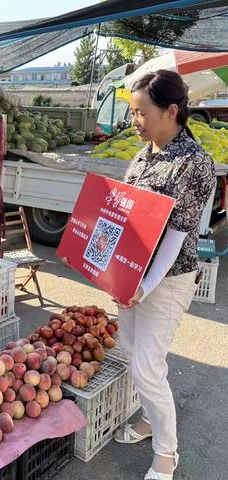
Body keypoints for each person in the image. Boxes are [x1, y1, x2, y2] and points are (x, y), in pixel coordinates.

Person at [110, 70, 215, 480]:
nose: (134, 120)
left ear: (172, 111)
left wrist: (146, 285)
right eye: (132, 112)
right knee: (137, 353)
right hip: (133, 276)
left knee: (146, 367)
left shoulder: (195, 162)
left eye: (141, 113)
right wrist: (111, 270)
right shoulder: (142, 155)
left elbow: (176, 234)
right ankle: (152, 419)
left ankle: (166, 455)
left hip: (168, 280)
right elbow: (124, 215)